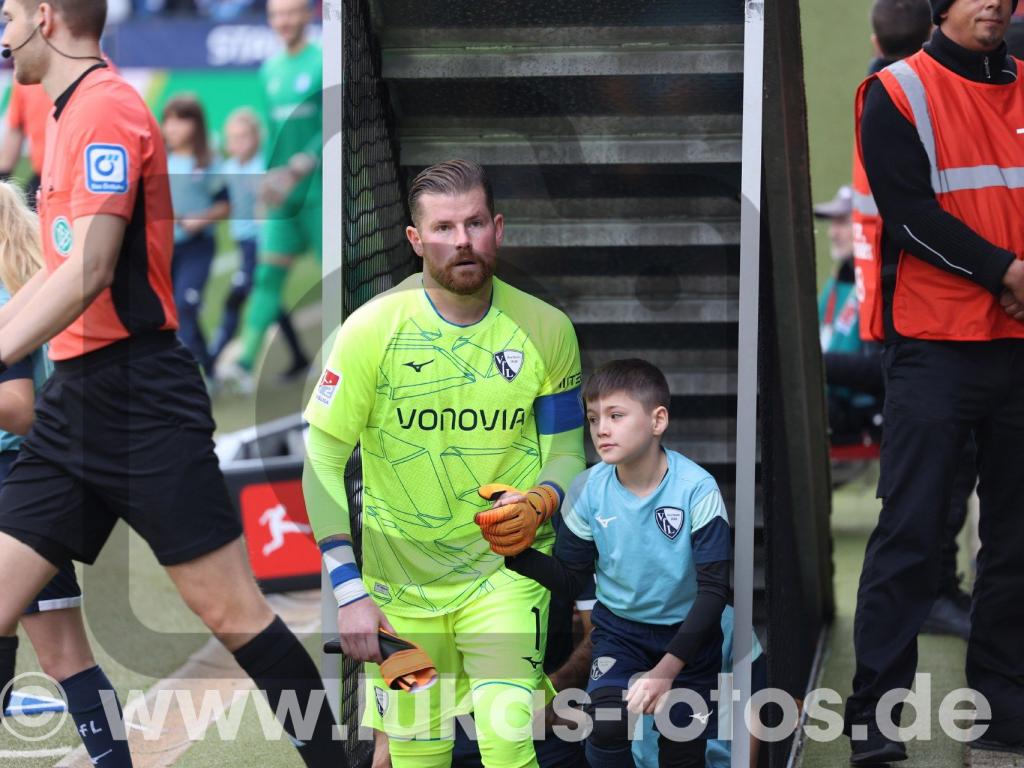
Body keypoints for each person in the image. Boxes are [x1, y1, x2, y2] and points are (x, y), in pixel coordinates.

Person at [0, 1, 347, 765]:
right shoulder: (64, 115)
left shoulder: (106, 109)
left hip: (137, 399)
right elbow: (56, 273)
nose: (1, 33)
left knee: (233, 613)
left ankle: (339, 758)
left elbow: (90, 270)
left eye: (8, 15)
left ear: (46, 19)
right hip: (75, 405)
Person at [303, 158, 586, 767]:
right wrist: (349, 591)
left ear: (498, 228)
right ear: (415, 239)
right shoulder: (369, 331)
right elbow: (321, 460)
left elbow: (566, 451)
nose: (462, 241)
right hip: (400, 589)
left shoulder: (548, 329)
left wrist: (542, 500)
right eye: (443, 227)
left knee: (509, 741)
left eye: (475, 223)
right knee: (418, 757)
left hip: (507, 577)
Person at [848, 0, 1024, 761]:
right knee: (911, 539)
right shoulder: (896, 90)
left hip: (1018, 343)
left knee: (1017, 546)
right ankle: (874, 731)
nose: (993, 2)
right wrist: (1007, 271)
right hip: (936, 348)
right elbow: (909, 213)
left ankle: (1004, 717)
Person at [495, 358, 732, 768]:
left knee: (683, 748)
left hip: (689, 637)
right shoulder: (587, 489)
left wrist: (666, 670)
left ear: (657, 421)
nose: (601, 429)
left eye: (616, 415)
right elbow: (571, 579)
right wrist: (515, 553)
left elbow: (714, 591)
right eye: (593, 418)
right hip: (620, 633)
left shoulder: (697, 489)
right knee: (606, 725)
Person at [0, 181, 133, 766]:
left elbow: (19, 410)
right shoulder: (34, 285)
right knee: (68, 658)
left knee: (63, 656)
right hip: (41, 478)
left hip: (13, 483)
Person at [227, 0, 317, 390]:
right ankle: (245, 361)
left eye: (291, 12)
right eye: (277, 15)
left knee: (338, 279)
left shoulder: (323, 64)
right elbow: (273, 136)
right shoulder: (269, 71)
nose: (284, 21)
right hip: (285, 198)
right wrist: (270, 179)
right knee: (266, 276)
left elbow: (339, 122)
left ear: (307, 15)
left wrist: (307, 160)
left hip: (320, 195)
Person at [207, 107, 306, 371]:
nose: (238, 144)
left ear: (257, 137)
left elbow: (273, 197)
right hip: (243, 241)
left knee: (237, 297)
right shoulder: (228, 168)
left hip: (262, 244)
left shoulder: (265, 165)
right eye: (233, 138)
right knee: (268, 299)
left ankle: (215, 359)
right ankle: (299, 357)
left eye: (244, 137)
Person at [162, 94, 229, 378]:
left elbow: (225, 205)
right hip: (164, 248)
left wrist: (200, 219)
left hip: (198, 247)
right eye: (169, 120)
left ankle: (192, 377)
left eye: (181, 120)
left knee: (185, 306)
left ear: (196, 125)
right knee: (175, 312)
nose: (173, 128)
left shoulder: (207, 162)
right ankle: (208, 366)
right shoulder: (159, 158)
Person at [0, 80, 49, 204]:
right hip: (42, 176)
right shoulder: (24, 78)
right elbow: (16, 128)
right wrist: (3, 176)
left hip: (77, 179)